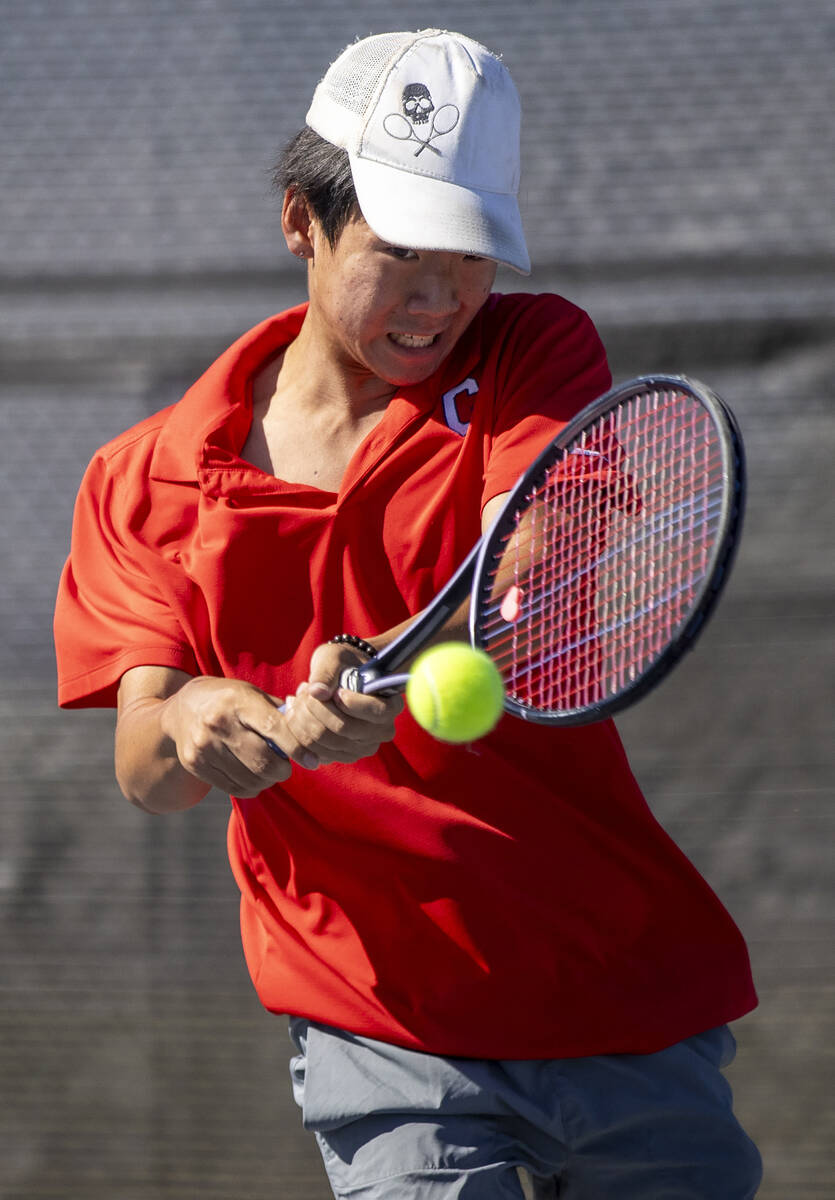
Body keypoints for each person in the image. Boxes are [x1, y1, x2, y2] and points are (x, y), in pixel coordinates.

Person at [54, 28, 762, 1200]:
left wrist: (445, 629)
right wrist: (206, 723)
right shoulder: (142, 479)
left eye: (468, 253)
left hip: (613, 983)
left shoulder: (531, 347)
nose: (440, 298)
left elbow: (534, 556)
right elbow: (145, 760)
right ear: (301, 222)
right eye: (399, 254)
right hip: (375, 1019)